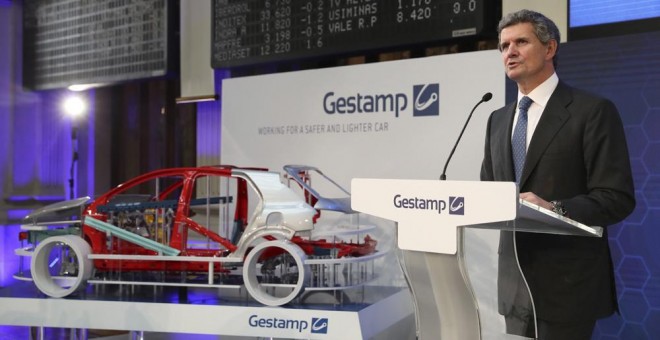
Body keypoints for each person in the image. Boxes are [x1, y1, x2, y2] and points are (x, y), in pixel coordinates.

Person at [480, 9, 636, 340]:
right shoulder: (496, 119)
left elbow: (616, 197)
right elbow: (490, 193)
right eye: (504, 45)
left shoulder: (591, 111)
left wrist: (555, 208)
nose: (510, 52)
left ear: (550, 49)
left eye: (521, 41)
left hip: (568, 286)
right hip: (513, 286)